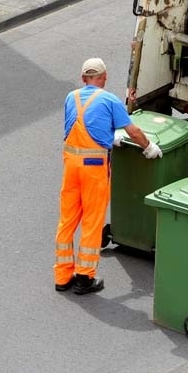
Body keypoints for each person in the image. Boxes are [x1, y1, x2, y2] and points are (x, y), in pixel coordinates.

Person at [54, 57, 162, 295]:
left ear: (83, 78)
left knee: (67, 220)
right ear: (104, 77)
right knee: (92, 222)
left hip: (71, 165)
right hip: (94, 168)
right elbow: (133, 131)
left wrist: (107, 137)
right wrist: (149, 147)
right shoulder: (110, 100)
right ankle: (85, 277)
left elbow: (78, 125)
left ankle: (62, 277)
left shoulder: (70, 97)